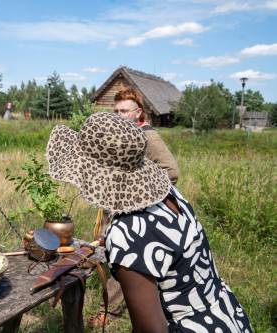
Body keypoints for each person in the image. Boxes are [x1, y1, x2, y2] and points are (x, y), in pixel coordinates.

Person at [46, 112, 252, 332]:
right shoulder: (168, 194)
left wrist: (121, 247)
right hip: (227, 316)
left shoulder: (127, 234)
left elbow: (151, 330)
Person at [91, 87, 180, 325]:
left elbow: (171, 171)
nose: (119, 115)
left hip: (140, 215)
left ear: (138, 112)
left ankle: (108, 312)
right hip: (121, 210)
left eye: (125, 111)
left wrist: (140, 192)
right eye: (116, 111)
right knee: (119, 259)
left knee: (127, 261)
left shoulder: (147, 136)